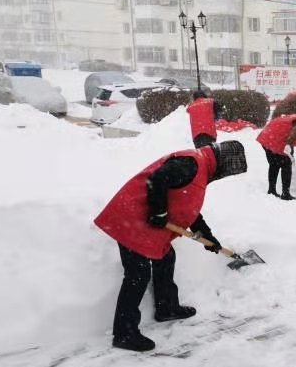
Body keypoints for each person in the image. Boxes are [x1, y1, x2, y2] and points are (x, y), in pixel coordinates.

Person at [94, 141, 248, 352]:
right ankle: (124, 333)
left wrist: (209, 237)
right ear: (222, 164)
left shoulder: (199, 166)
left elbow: (187, 205)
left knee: (166, 256)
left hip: (141, 218)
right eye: (226, 172)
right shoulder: (191, 164)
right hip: (131, 217)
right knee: (137, 274)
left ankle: (166, 307)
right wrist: (159, 212)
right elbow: (157, 179)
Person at [256, 109, 296, 201]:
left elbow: (287, 132)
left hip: (266, 138)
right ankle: (286, 194)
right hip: (274, 141)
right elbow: (294, 134)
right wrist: (288, 145)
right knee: (286, 166)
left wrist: (290, 151)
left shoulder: (294, 117)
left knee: (274, 164)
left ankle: (271, 190)